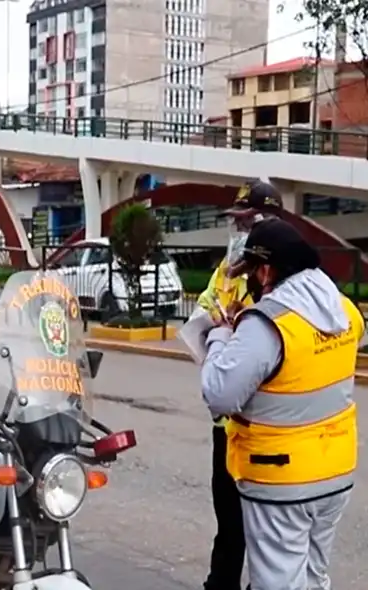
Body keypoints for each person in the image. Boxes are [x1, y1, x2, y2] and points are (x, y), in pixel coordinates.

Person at [200, 218, 361, 590]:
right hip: (335, 471)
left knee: (279, 583)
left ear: (267, 269)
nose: (251, 281)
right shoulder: (344, 310)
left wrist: (222, 337)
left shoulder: (267, 324)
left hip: (281, 478)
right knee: (313, 577)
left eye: (252, 272)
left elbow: (219, 394)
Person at [195, 179, 282, 590]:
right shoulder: (226, 270)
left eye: (248, 222)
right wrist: (213, 327)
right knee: (228, 527)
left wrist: (231, 329)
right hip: (226, 427)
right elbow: (205, 306)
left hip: (265, 428)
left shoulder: (283, 275)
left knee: (266, 532)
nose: (240, 231)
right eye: (238, 222)